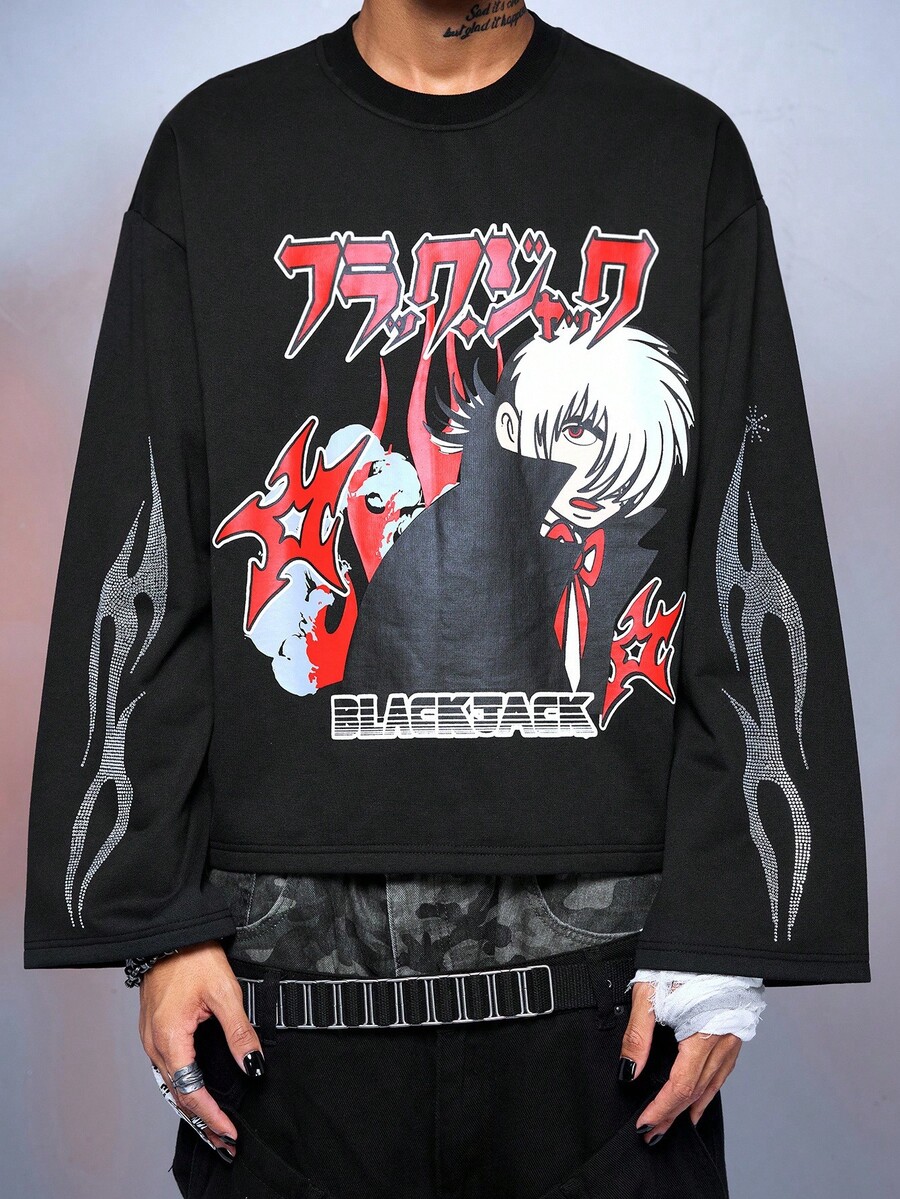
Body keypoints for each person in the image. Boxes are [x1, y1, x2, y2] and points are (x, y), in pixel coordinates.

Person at [23, 4, 870, 1197]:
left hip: (601, 982)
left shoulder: (678, 151)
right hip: (288, 982)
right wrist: (157, 920)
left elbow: (749, 529)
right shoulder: (217, 150)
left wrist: (728, 940)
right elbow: (145, 513)